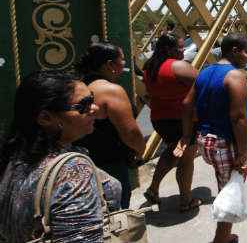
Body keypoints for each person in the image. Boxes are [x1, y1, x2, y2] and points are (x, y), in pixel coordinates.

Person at [0, 70, 121, 242]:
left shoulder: (14, 157)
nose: (94, 108)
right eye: (84, 105)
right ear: (45, 117)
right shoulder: (73, 171)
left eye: (92, 99)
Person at [174, 33, 247, 243]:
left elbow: (186, 105)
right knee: (230, 192)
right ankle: (221, 239)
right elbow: (238, 117)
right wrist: (243, 150)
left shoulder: (205, 72)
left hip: (204, 141)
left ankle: (224, 235)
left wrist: (186, 136)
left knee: (224, 185)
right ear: (235, 50)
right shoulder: (236, 76)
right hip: (224, 143)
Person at [75, 42, 145, 209]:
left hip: (81, 163)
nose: (125, 64)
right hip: (109, 166)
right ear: (110, 65)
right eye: (122, 59)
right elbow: (131, 133)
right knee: (116, 215)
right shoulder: (110, 90)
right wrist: (140, 151)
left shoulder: (79, 86)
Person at [142, 33, 201, 211]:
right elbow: (204, 85)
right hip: (182, 121)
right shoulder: (179, 66)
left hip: (160, 119)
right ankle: (186, 200)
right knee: (186, 161)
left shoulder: (149, 67)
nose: (183, 51)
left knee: (172, 152)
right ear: (169, 49)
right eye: (180, 48)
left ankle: (153, 189)